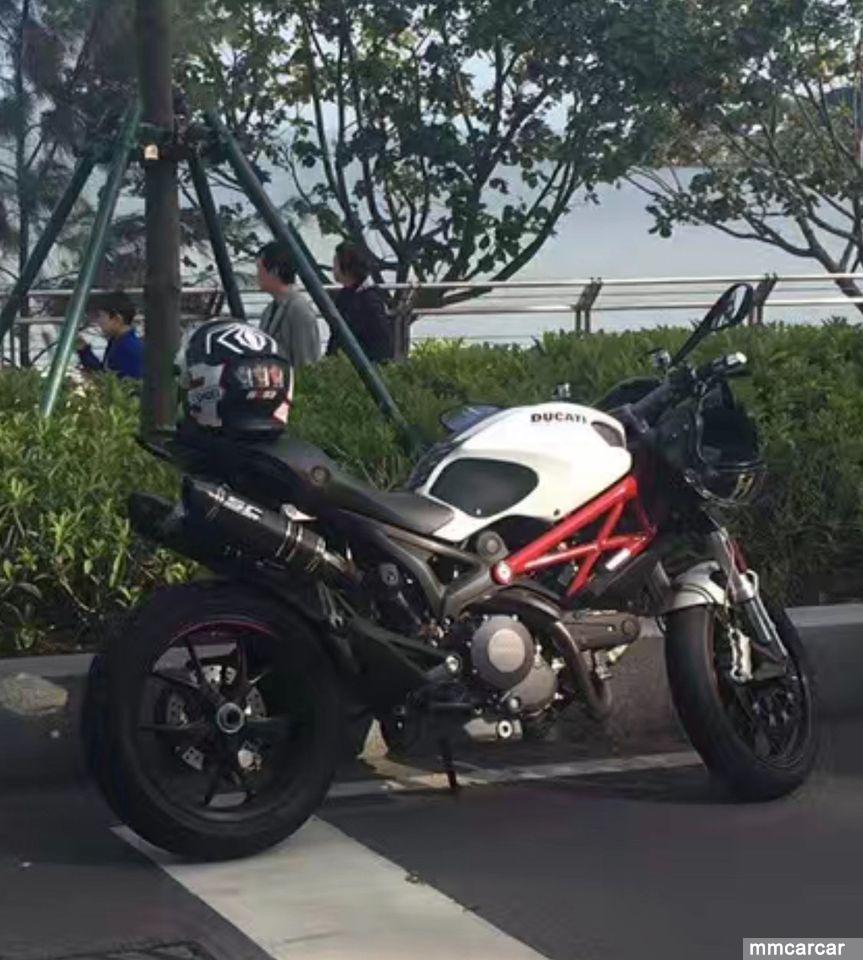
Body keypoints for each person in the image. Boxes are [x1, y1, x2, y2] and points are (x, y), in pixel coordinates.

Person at [326, 241, 393, 362]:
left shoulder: (370, 300)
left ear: (347, 268)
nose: (333, 270)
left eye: (335, 265)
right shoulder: (344, 296)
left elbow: (382, 341)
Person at [257, 242, 321, 369]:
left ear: (274, 271)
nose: (257, 275)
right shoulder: (269, 310)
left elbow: (306, 362)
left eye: (260, 269)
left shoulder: (299, 310)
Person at [76, 290, 143, 380]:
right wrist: (84, 351)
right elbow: (106, 374)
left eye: (101, 316)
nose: (98, 321)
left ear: (117, 319)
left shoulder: (129, 350)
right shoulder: (117, 342)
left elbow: (122, 384)